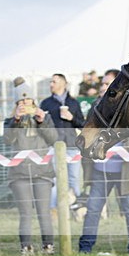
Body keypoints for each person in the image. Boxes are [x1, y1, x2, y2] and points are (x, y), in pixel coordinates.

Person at [4, 81, 58, 255]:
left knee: (44, 212)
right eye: (21, 101)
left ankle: (48, 246)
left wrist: (42, 122)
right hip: (19, 173)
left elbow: (53, 139)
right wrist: (16, 121)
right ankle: (26, 247)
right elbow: (7, 140)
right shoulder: (10, 121)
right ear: (16, 104)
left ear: (34, 101)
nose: (25, 104)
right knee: (25, 212)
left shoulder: (44, 117)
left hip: (42, 172)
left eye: (28, 100)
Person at [78, 132, 129, 256]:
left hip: (127, 171)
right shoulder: (98, 113)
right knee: (93, 209)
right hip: (99, 172)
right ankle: (85, 249)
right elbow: (86, 135)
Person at [40, 73, 85, 206]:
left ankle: (75, 207)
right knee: (54, 179)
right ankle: (54, 209)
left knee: (74, 179)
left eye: (54, 82)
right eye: (50, 82)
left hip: (72, 146)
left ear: (63, 83)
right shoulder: (46, 103)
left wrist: (71, 118)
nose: (51, 84)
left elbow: (82, 124)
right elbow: (40, 126)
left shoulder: (74, 103)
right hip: (53, 146)